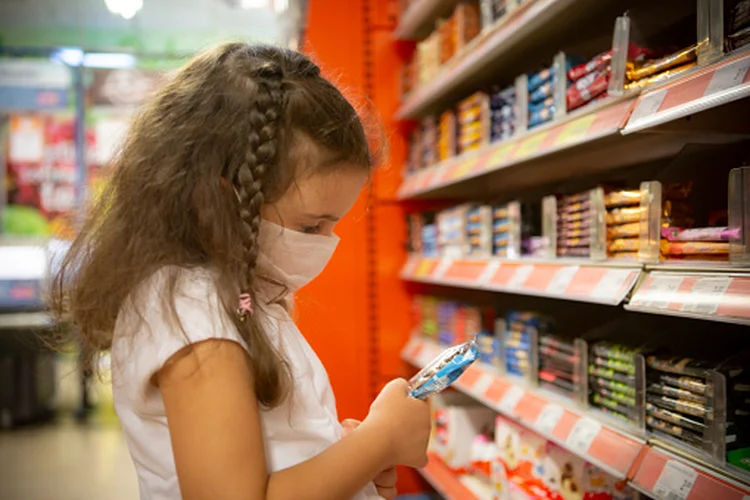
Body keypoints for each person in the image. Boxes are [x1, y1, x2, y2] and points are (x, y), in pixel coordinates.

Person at [52, 43, 431, 500]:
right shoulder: (193, 316)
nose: (325, 243)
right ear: (221, 201)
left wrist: (345, 460)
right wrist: (379, 442)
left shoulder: (237, 296)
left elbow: (274, 450)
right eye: (310, 225)